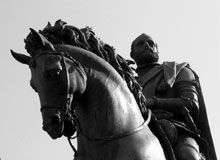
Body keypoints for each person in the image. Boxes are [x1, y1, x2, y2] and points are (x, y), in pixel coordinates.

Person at [130, 33, 217, 160]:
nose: (147, 46)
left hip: (176, 129)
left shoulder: (178, 70)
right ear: (132, 54)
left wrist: (154, 102)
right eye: (141, 44)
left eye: (151, 44)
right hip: (137, 129)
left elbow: (192, 104)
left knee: (188, 156)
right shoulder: (128, 83)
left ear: (157, 50)